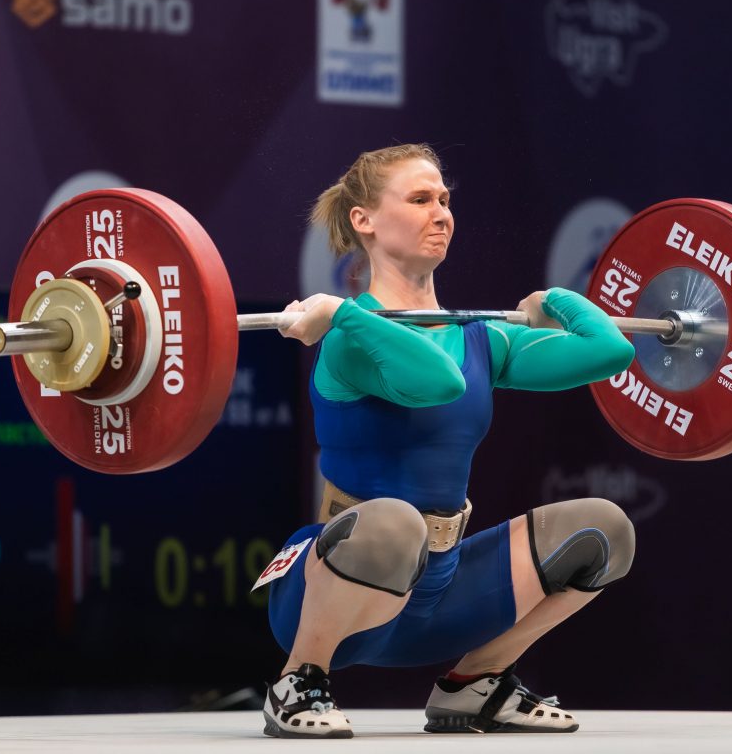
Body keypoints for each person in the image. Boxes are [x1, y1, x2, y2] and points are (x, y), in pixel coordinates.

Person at [259, 144, 637, 739]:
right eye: (419, 199)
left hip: (442, 591)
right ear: (364, 220)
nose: (441, 214)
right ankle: (299, 679)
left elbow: (611, 351)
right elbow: (437, 383)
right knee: (395, 523)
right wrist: (343, 314)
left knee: (605, 530)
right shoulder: (348, 339)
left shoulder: (482, 339)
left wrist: (553, 300)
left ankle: (475, 684)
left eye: (443, 199)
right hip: (341, 593)